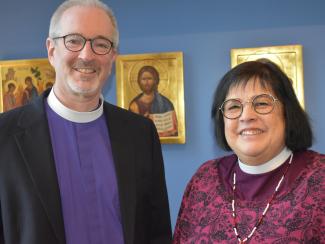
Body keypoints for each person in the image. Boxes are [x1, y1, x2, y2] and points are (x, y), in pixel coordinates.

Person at [0, 1, 172, 244]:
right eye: (73, 40)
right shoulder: (4, 136)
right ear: (51, 50)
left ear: (112, 56)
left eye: (101, 44)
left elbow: (157, 232)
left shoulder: (140, 133)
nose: (87, 55)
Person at [173, 59, 324, 243]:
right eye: (234, 106)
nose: (247, 116)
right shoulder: (204, 179)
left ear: (287, 112)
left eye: (261, 103)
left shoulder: (319, 178)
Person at [129, 65, 178, 137]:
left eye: (149, 78)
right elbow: (131, 130)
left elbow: (174, 129)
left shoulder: (166, 103)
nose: (146, 82)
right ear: (139, 81)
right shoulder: (134, 105)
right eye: (143, 79)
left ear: (155, 80)